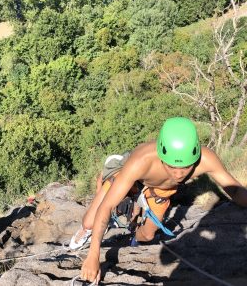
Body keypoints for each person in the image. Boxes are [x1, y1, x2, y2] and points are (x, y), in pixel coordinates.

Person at [75, 117, 247, 283]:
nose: (179, 174)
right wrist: (93, 255)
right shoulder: (141, 161)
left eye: (187, 167)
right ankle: (105, 183)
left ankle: (134, 226)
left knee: (147, 235)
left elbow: (235, 190)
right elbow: (107, 206)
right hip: (131, 174)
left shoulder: (206, 159)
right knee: (89, 223)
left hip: (161, 189)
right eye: (171, 166)